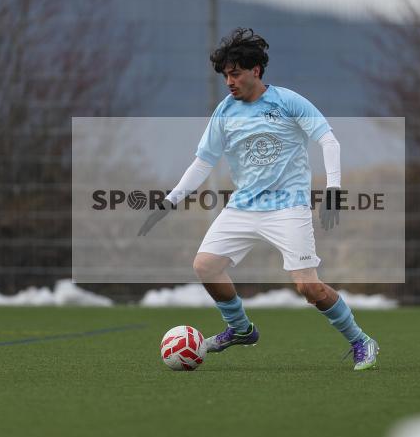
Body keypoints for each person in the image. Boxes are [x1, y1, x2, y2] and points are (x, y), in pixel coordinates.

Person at [138, 28, 378, 371]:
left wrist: (334, 191)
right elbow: (203, 162)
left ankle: (361, 341)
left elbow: (329, 141)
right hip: (243, 206)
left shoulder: (287, 101)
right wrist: (169, 202)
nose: (229, 81)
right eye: (225, 75)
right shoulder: (224, 112)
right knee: (205, 266)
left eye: (235, 73)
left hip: (288, 207)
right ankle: (240, 330)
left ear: (256, 70)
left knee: (308, 287)